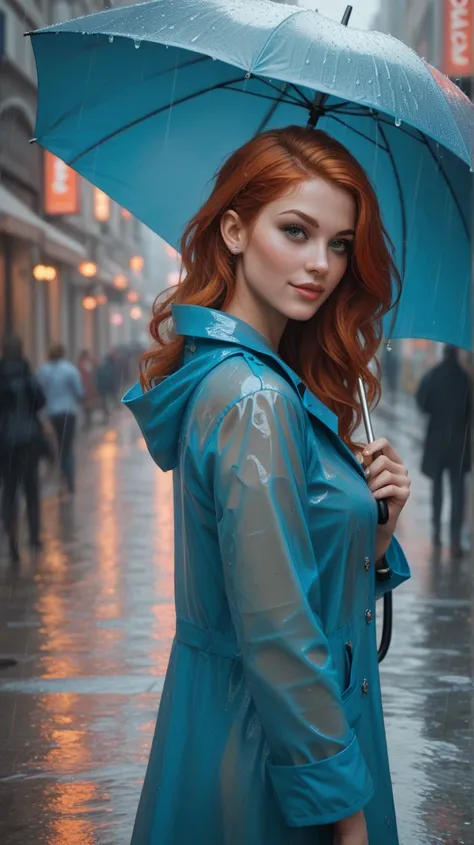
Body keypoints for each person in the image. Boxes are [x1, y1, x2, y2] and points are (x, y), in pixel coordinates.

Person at [124, 127, 412, 845]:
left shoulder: (241, 380)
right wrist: (345, 812)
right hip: (271, 760)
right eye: (296, 230)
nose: (321, 263)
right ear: (234, 230)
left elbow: (279, 585)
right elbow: (280, 633)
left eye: (340, 243)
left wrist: (373, 535)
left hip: (242, 728)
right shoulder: (256, 398)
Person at [416, 345, 471, 556]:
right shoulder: (465, 379)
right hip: (458, 444)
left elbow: (422, 402)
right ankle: (455, 538)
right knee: (457, 492)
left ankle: (437, 532)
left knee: (437, 489)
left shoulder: (433, 375)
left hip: (437, 442)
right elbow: (470, 411)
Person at [0, 337, 45, 561]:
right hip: (28, 439)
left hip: (5, 442)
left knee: (9, 492)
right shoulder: (26, 373)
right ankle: (34, 538)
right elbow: (40, 401)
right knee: (31, 489)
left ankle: (12, 543)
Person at [37, 344, 83, 495]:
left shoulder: (43, 371)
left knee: (57, 446)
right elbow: (79, 392)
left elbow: (39, 393)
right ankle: (68, 478)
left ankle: (62, 477)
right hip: (68, 413)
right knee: (67, 447)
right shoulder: (70, 370)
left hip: (52, 414)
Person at [77, 349, 97, 430]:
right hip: (86, 388)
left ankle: (87, 422)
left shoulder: (80, 365)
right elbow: (89, 376)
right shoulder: (86, 364)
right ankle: (88, 422)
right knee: (87, 406)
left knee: (86, 406)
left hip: (84, 387)